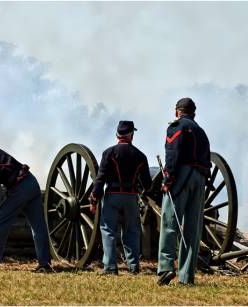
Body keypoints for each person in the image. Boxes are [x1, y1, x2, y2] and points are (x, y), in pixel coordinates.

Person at [157, 97, 211, 286]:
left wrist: (167, 179)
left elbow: (173, 153)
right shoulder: (201, 132)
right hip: (200, 178)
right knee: (192, 228)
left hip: (182, 175)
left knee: (169, 221)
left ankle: (165, 267)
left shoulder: (176, 126)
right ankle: (187, 276)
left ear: (177, 111)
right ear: (193, 113)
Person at [89, 121, 152, 275]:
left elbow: (100, 179)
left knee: (108, 230)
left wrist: (94, 199)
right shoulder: (140, 156)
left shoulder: (109, 153)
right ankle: (133, 266)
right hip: (131, 197)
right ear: (131, 135)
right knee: (132, 231)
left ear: (117, 135)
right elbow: (147, 185)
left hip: (112, 195)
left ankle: (110, 267)